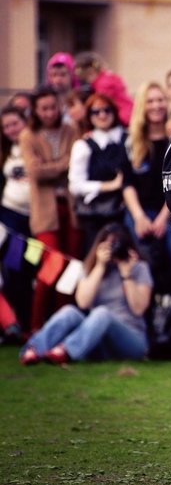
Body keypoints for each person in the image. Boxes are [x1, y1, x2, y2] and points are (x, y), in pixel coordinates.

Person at [19, 223, 152, 365]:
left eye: (116, 246)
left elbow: (139, 309)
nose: (113, 251)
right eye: (108, 246)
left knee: (103, 313)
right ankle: (33, 350)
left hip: (131, 341)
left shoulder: (139, 268)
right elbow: (83, 302)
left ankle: (66, 351)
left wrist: (127, 275)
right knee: (69, 311)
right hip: (96, 339)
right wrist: (100, 266)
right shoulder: (90, 268)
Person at [19, 86, 83, 333]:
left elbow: (75, 163)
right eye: (43, 108)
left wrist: (49, 166)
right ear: (35, 111)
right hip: (46, 211)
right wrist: (62, 164)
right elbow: (34, 172)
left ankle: (62, 325)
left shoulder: (71, 129)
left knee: (71, 268)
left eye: (53, 107)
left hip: (71, 208)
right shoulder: (28, 135)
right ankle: (36, 326)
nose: (49, 113)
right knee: (51, 267)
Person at [122, 81, 171, 298]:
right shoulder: (131, 141)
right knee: (142, 264)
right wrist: (139, 216)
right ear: (142, 106)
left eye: (160, 99)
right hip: (139, 211)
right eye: (150, 101)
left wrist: (163, 218)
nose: (156, 105)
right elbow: (127, 184)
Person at [68, 94, 129, 253]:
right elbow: (75, 185)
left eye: (106, 110)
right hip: (98, 215)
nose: (102, 115)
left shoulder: (128, 139)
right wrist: (109, 186)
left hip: (129, 213)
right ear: (89, 116)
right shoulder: (83, 145)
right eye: (96, 112)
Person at [0, 105, 32, 338]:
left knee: (34, 267)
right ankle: (16, 322)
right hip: (10, 217)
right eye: (6, 126)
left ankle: (30, 321)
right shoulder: (6, 151)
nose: (11, 129)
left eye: (15, 123)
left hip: (34, 217)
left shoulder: (32, 143)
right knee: (14, 268)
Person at [74, 52, 134, 125]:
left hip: (123, 120)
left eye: (85, 79)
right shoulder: (108, 78)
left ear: (91, 72)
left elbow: (101, 107)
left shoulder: (103, 85)